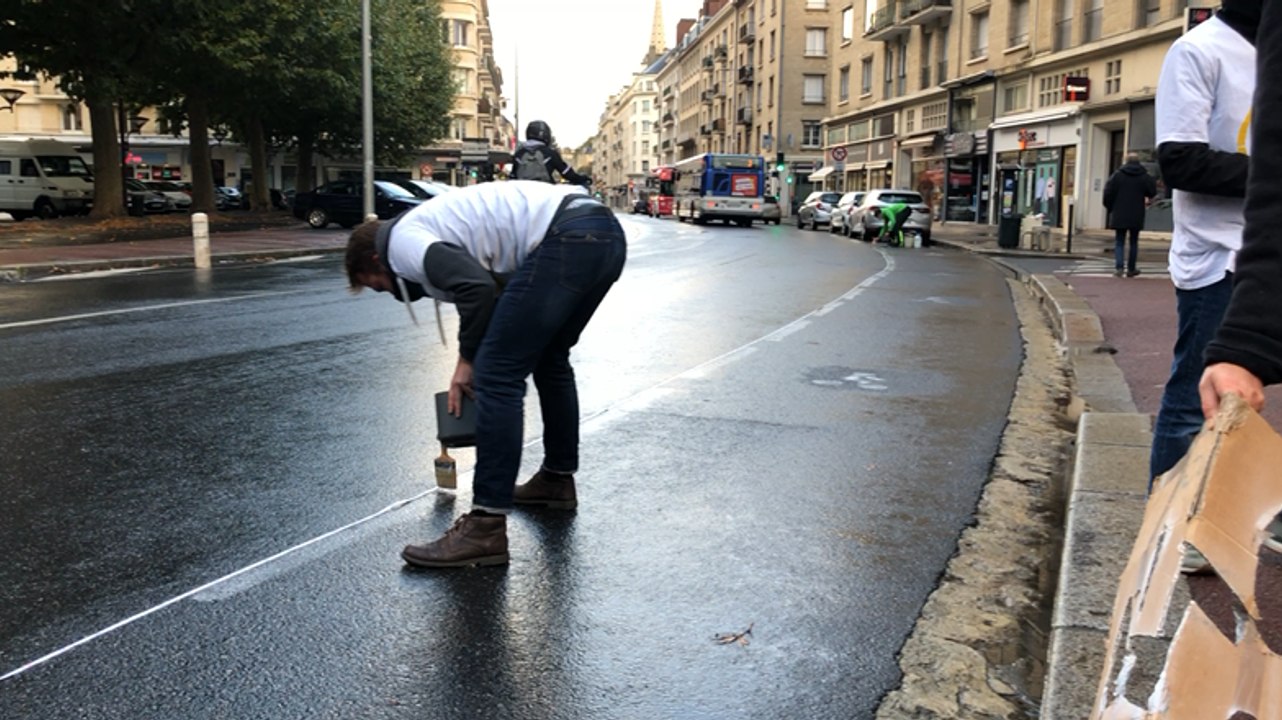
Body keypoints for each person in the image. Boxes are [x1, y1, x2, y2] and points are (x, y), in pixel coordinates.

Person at [345, 180, 627, 568]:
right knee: (549, 358)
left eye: (376, 287)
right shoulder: (432, 226)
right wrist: (475, 353)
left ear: (374, 261)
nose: (390, 294)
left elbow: (474, 288)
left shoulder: (401, 244)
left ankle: (485, 528)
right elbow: (493, 297)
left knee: (496, 376)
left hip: (568, 236)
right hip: (604, 235)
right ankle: (556, 481)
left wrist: (468, 361)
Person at [1149, 0, 1258, 487]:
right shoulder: (1198, 50)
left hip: (1266, 254)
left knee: (1249, 395)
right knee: (1195, 400)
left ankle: (1254, 504)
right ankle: (1170, 521)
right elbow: (1181, 161)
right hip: (1218, 259)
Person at [1102, 153, 1159, 278]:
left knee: (1119, 241)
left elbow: (1108, 193)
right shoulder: (1144, 176)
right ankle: (1131, 268)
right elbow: (1152, 191)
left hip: (1119, 212)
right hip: (1136, 212)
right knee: (1134, 241)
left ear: (1125, 161)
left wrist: (1111, 208)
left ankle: (1119, 267)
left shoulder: (1117, 176)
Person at [512, 120, 591, 187]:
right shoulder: (550, 153)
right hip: (545, 192)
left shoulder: (519, 154)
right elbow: (566, 173)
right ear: (546, 135)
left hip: (522, 193)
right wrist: (582, 179)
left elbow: (513, 176)